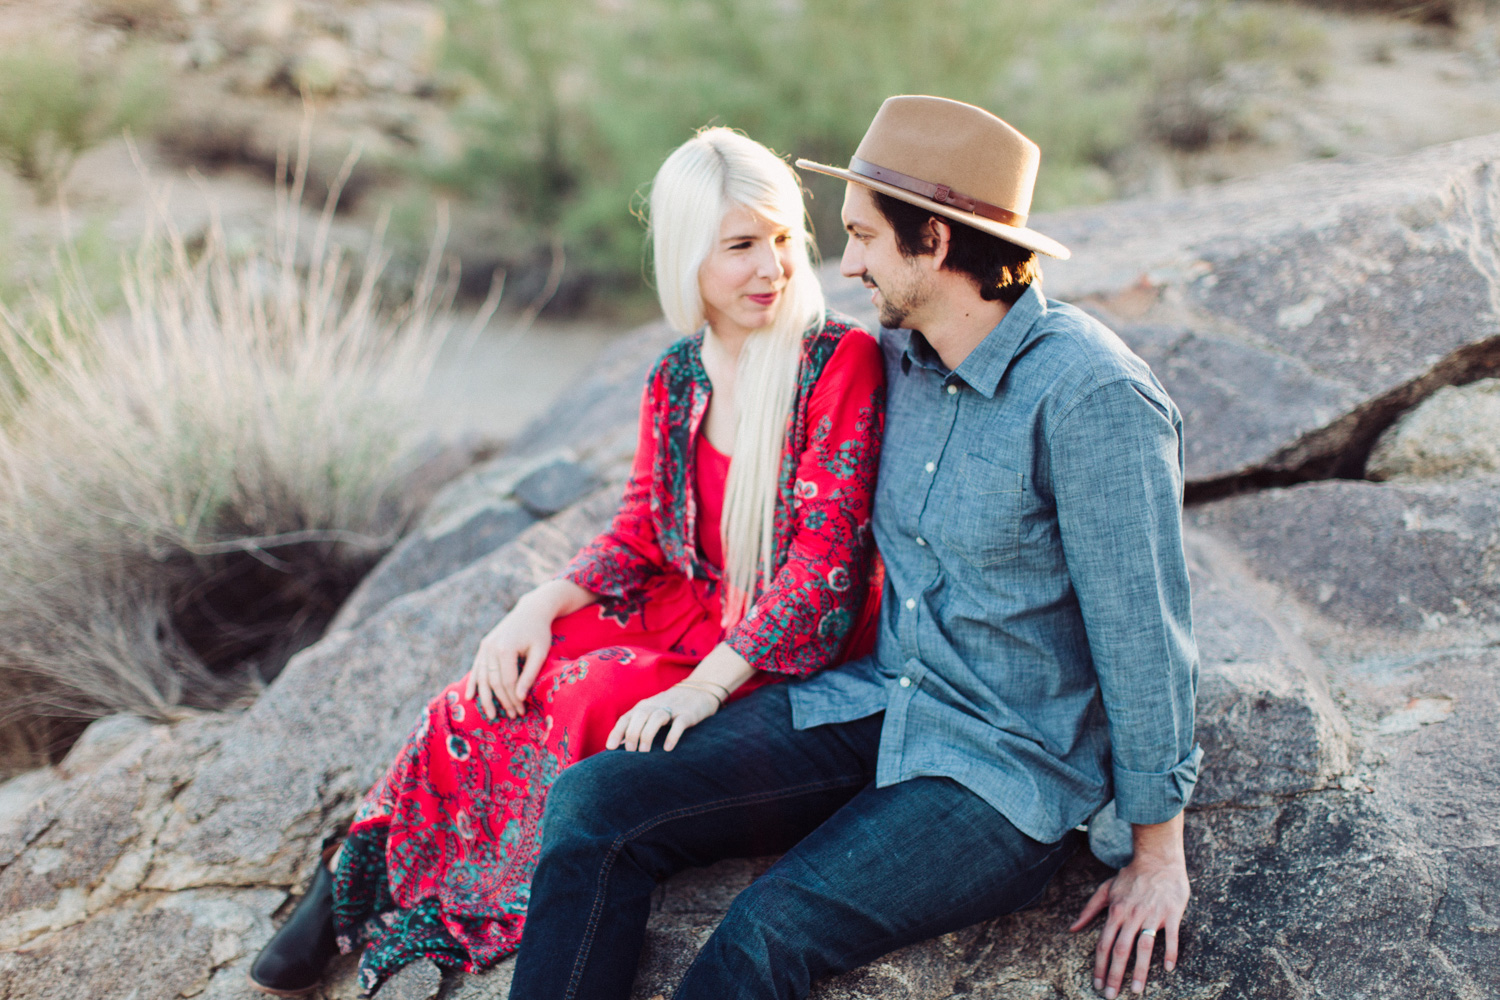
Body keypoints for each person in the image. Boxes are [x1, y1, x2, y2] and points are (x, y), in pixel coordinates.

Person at [506, 95, 1201, 1000]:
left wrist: (1158, 851)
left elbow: (1146, 637)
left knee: (762, 933)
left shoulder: (1092, 397)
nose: (846, 264)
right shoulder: (900, 357)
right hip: (878, 701)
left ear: (937, 244)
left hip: (1001, 769)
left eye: (864, 238)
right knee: (596, 804)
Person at [247, 127, 885, 998]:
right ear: (686, 255)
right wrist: (537, 605)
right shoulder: (677, 374)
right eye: (741, 246)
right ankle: (356, 877)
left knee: (586, 697)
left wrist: (702, 688)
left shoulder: (834, 360)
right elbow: (639, 533)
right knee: (483, 691)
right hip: (688, 607)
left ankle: (473, 895)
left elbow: (822, 570)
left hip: (770, 649)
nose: (771, 267)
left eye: (781, 239)